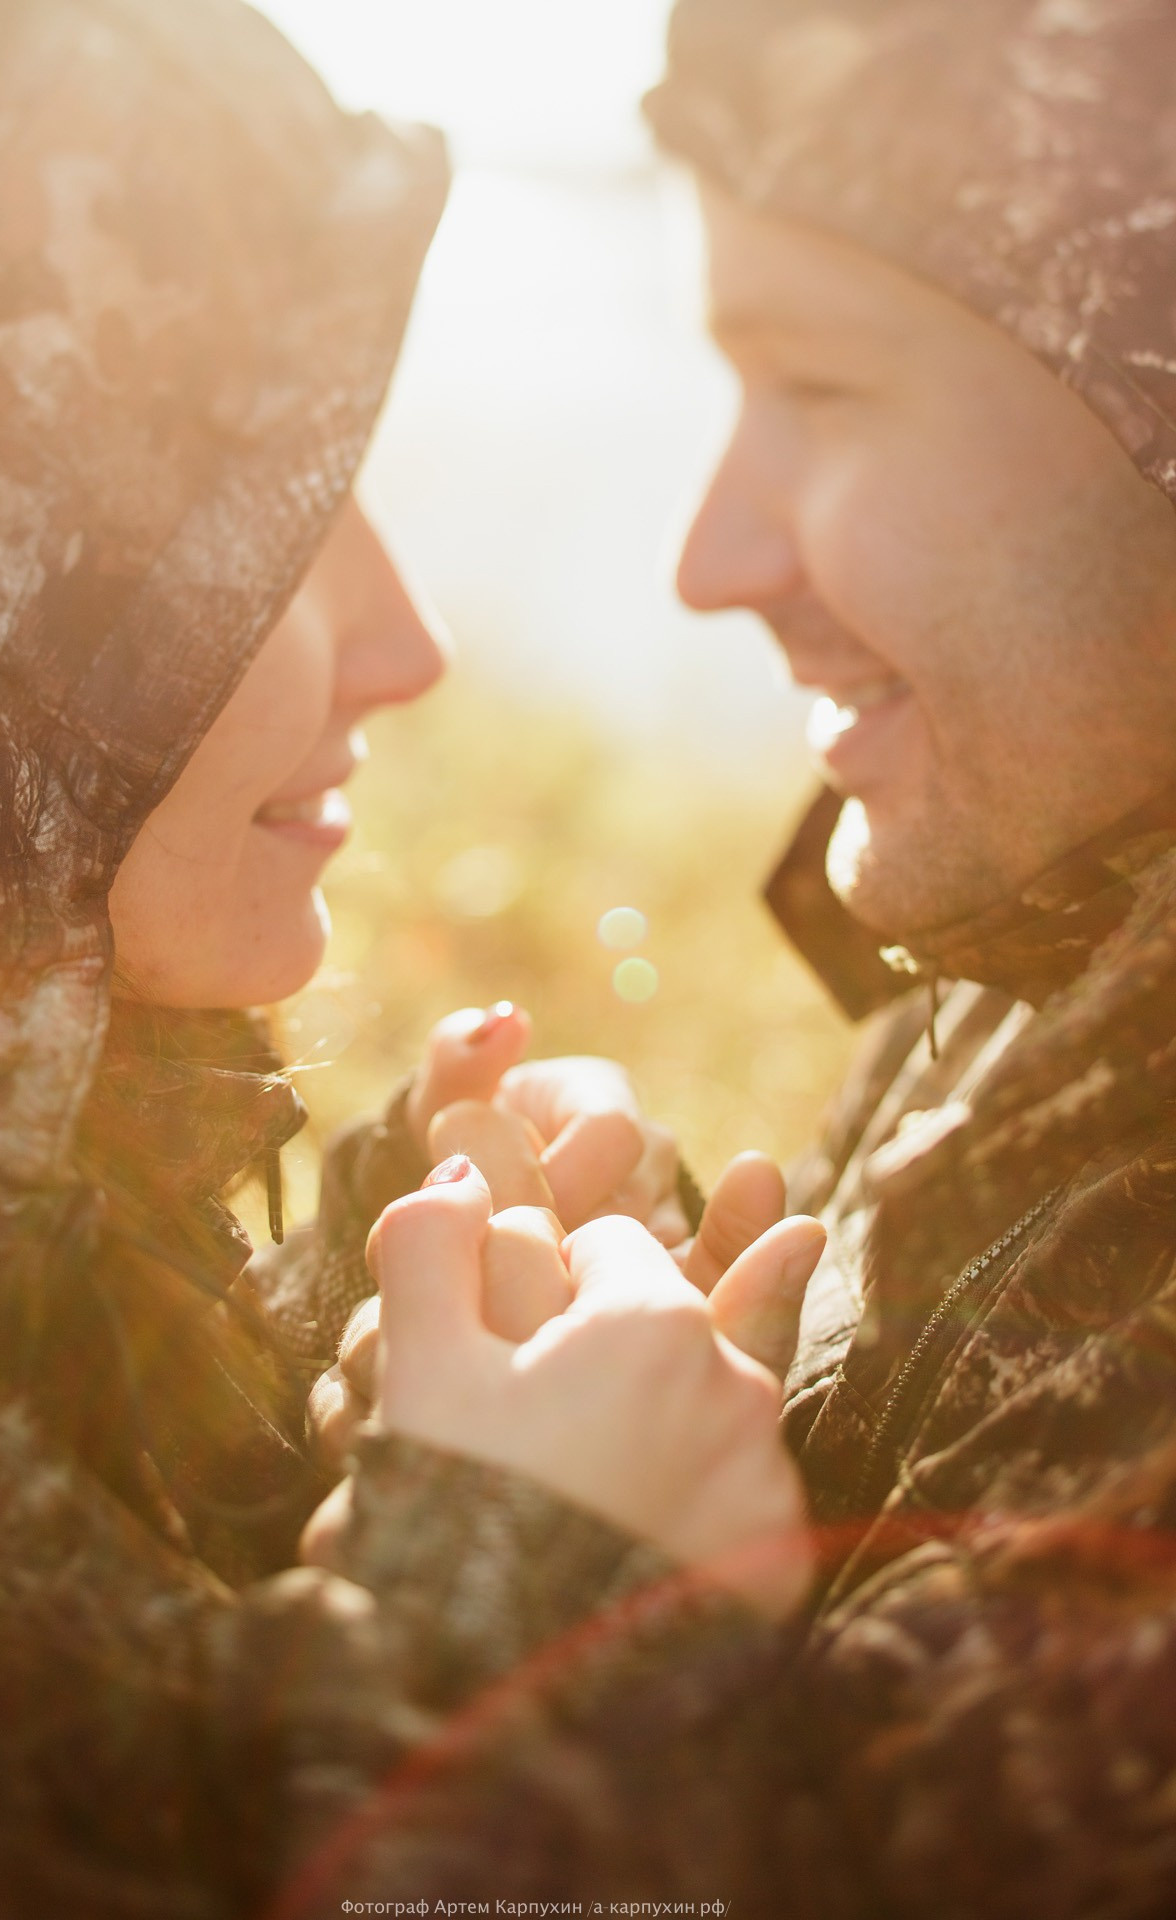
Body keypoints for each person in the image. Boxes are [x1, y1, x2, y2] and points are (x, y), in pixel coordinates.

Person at [0, 1, 828, 1913]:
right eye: (269, 531)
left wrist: (375, 1347)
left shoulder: (20, 1203)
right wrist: (539, 1580)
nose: (409, 648)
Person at [306, 1, 1176, 1912]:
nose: (712, 559)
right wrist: (632, 1404)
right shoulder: (1035, 954)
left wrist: (520, 1610)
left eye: (828, 391)